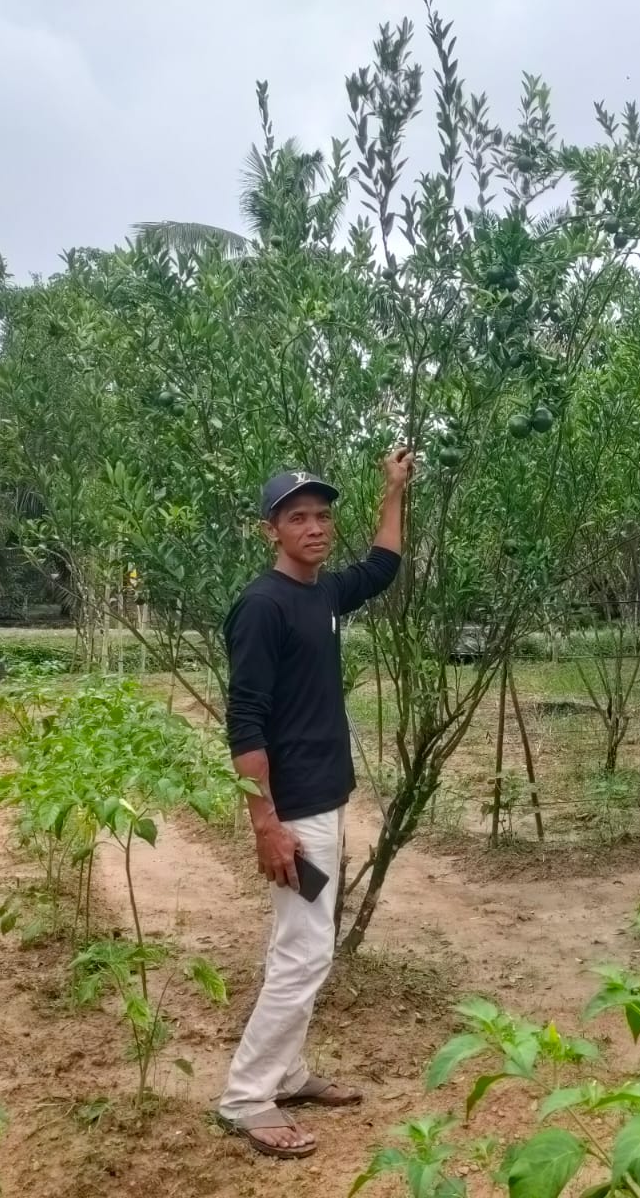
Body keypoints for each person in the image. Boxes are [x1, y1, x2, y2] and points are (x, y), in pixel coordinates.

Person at [215, 449, 413, 1159]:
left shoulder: (322, 595)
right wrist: (264, 823)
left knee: (299, 944)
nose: (315, 528)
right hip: (292, 809)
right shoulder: (262, 606)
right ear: (271, 530)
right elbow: (244, 722)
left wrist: (393, 490)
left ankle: (288, 1072)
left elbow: (382, 567)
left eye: (323, 516)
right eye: (297, 517)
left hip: (324, 799)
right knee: (305, 953)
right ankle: (247, 1097)